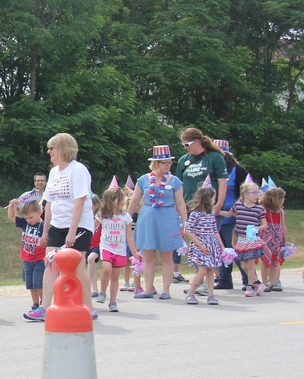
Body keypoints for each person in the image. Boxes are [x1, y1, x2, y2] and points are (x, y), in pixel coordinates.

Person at [23, 133, 95, 322]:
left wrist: (72, 232)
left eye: (51, 148)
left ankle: (89, 307)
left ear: (62, 149)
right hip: (57, 224)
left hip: (79, 225)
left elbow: (80, 202)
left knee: (78, 266)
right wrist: (45, 232)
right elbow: (48, 204)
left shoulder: (78, 170)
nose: (48, 152)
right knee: (51, 263)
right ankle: (45, 308)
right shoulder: (54, 172)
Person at [128, 145, 187, 300]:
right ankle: (148, 289)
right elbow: (134, 200)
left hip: (167, 217)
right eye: (164, 162)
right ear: (155, 163)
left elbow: (180, 203)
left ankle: (166, 290)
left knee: (167, 256)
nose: (168, 165)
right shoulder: (143, 180)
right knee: (148, 256)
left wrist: (185, 221)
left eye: (169, 162)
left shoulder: (175, 181)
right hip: (148, 218)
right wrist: (126, 218)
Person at [174, 128, 227, 283]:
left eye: (187, 144)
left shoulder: (214, 157)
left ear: (197, 141)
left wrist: (218, 204)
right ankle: (200, 280)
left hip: (208, 207)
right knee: (196, 244)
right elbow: (179, 184)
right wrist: (179, 206)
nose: (185, 148)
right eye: (183, 145)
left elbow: (223, 182)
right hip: (190, 207)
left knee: (209, 241)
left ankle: (213, 279)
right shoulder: (183, 160)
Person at [212, 139, 249, 291]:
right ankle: (224, 280)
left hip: (232, 215)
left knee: (234, 248)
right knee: (220, 250)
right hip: (214, 214)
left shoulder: (238, 170)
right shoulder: (211, 169)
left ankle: (249, 279)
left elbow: (247, 191)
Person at [220, 182, 267, 296]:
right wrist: (216, 211)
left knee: (250, 265)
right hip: (241, 240)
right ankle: (257, 283)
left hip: (251, 240)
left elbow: (265, 225)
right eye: (255, 192)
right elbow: (228, 214)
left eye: (258, 192)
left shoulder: (259, 209)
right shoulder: (238, 206)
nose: (257, 195)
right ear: (245, 194)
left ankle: (250, 287)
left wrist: (256, 228)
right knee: (243, 265)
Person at [96, 187, 135, 313]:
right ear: (111, 200)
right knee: (106, 269)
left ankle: (113, 302)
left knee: (115, 276)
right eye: (120, 198)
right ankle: (102, 292)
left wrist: (135, 253)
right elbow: (92, 228)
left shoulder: (126, 217)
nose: (122, 201)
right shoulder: (102, 215)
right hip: (106, 247)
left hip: (120, 250)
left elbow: (129, 236)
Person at [184, 186, 224, 305]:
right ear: (208, 198)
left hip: (211, 244)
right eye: (213, 197)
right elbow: (189, 231)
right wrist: (200, 246)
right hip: (199, 245)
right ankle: (191, 292)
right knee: (202, 271)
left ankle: (211, 295)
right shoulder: (195, 214)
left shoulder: (211, 213)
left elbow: (215, 230)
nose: (214, 200)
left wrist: (221, 246)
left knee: (211, 270)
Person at [7, 199, 45, 313]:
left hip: (39, 259)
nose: (29, 220)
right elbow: (12, 217)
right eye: (27, 218)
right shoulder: (26, 223)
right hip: (27, 259)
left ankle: (44, 303)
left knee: (38, 282)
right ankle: (35, 303)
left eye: (31, 217)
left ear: (39, 212)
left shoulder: (43, 226)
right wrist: (12, 206)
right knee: (30, 284)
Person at [260, 188, 287, 291]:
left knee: (275, 261)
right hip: (266, 238)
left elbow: (283, 225)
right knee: (266, 260)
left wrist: (285, 239)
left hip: (277, 238)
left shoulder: (280, 212)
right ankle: (264, 282)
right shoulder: (263, 210)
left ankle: (272, 282)